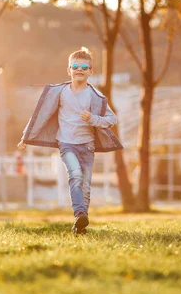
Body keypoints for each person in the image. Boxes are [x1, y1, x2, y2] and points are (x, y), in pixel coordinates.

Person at [17, 47, 123, 234]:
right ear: (69, 70)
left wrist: (93, 119)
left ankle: (81, 224)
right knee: (75, 175)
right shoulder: (60, 92)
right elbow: (40, 115)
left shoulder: (95, 96)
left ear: (91, 71)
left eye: (84, 66)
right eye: (75, 66)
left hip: (87, 145)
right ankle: (79, 213)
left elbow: (112, 119)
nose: (79, 69)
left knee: (86, 187)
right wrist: (26, 137)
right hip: (66, 143)